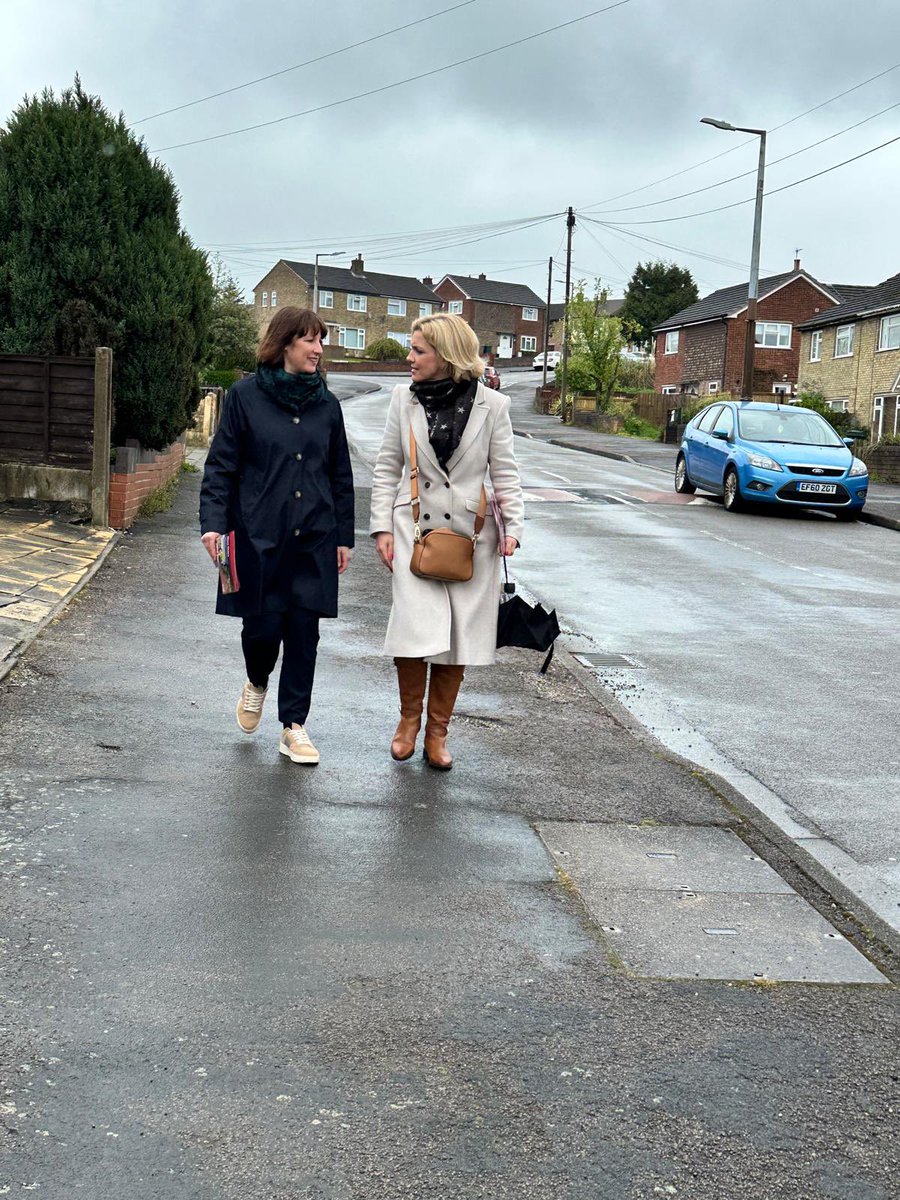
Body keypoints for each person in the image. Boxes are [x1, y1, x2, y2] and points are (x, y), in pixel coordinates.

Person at [199, 306, 354, 765]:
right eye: (311, 341)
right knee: (263, 628)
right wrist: (212, 525)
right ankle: (257, 681)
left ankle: (294, 727)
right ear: (286, 343)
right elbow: (221, 467)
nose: (319, 350)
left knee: (305, 634)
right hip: (257, 537)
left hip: (315, 538)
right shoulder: (245, 396)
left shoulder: (327, 405)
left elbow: (340, 474)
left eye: (321, 342)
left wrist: (343, 535)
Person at [369, 312, 524, 771]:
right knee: (413, 631)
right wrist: (380, 526)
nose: (409, 357)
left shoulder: (492, 406)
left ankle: (438, 733)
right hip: (412, 532)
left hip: (471, 540)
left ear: (446, 355)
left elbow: (506, 472)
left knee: (458, 639)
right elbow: (386, 466)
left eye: (418, 350)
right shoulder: (404, 399)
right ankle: (408, 722)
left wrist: (513, 528)